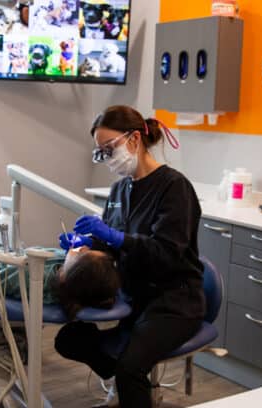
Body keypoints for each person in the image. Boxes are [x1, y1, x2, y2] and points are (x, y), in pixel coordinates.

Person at [54, 105, 206, 407]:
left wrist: (114, 237)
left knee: (130, 369)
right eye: (101, 152)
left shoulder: (174, 187)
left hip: (174, 303)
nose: (107, 158)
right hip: (134, 299)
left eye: (109, 149)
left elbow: (165, 253)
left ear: (134, 139)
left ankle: (127, 376)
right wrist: (87, 243)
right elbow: (112, 243)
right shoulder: (120, 190)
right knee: (69, 339)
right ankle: (121, 374)